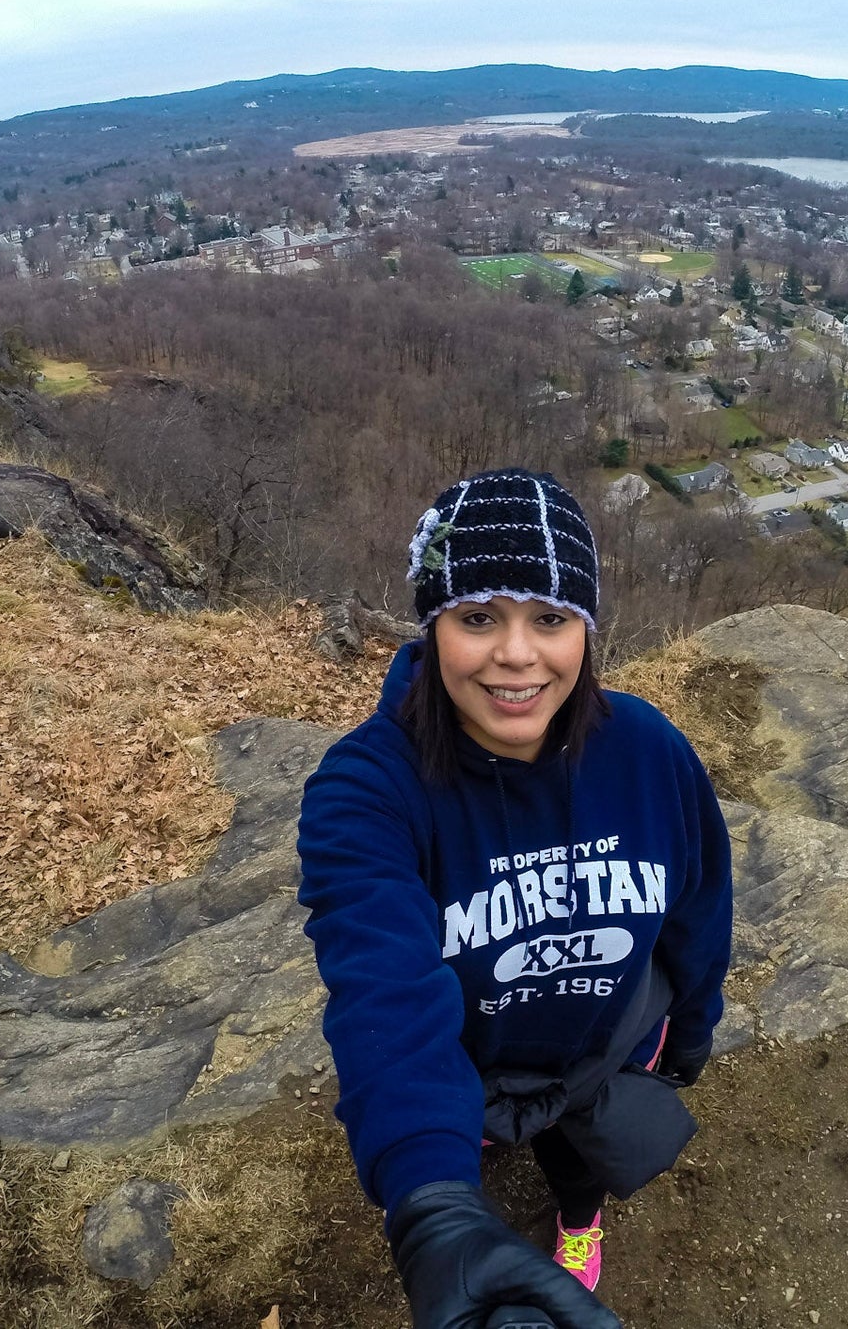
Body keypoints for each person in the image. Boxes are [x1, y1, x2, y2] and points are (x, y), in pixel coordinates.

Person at [297, 468, 733, 1329]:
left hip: (603, 1050)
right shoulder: (368, 787)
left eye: (549, 617)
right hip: (469, 1068)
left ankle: (576, 1218)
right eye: (477, 617)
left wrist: (692, 1032)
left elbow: (698, 908)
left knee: (580, 1157)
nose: (517, 655)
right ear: (432, 625)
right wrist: (433, 1210)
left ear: (585, 628)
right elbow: (381, 988)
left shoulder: (647, 752)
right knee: (480, 1154)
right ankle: (485, 1208)